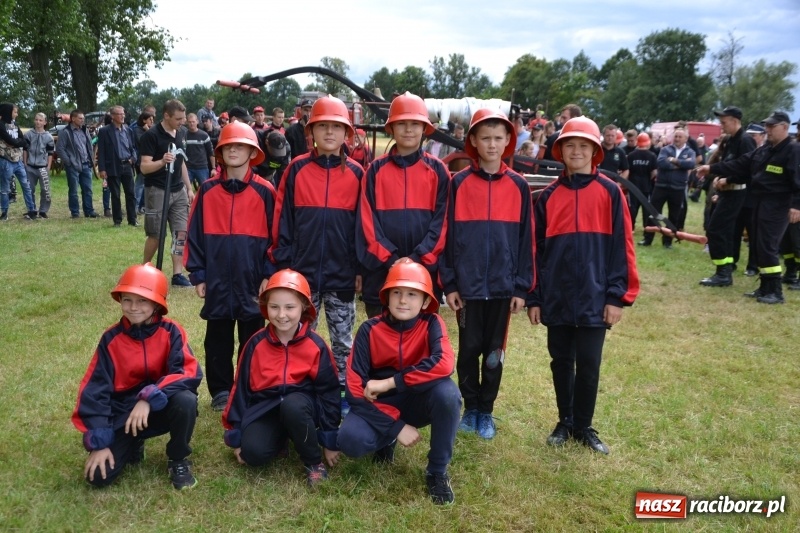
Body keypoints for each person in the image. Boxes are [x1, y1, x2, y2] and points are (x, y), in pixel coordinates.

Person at [527, 117, 639, 455]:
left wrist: (617, 296)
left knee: (589, 363)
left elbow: (623, 247)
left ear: (595, 151)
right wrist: (535, 296)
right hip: (557, 297)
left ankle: (584, 425)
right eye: (570, 145)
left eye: (583, 145)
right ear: (560, 151)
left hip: (595, 296)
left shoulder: (611, 193)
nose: (576, 151)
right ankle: (565, 420)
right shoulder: (547, 197)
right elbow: (536, 251)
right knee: (561, 361)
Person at [440, 109, 534, 440]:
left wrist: (522, 287)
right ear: (474, 143)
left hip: (503, 287)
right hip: (467, 288)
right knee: (468, 350)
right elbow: (448, 236)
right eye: (485, 138)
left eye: (498, 138)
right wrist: (449, 283)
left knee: (495, 352)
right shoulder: (459, 183)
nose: (492, 144)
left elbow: (526, 241)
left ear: (509, 141)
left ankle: (487, 411)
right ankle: (470, 408)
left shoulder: (519, 186)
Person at [337, 260, 461, 505]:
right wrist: (395, 428)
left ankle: (437, 471)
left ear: (426, 301)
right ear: (386, 296)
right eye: (397, 292)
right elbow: (353, 389)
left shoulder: (432, 323)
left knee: (448, 395)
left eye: (412, 294)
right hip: (382, 406)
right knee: (350, 440)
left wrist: (389, 383)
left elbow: (444, 364)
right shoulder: (369, 330)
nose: (403, 300)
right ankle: (387, 438)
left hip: (418, 398)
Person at [269, 95, 363, 412]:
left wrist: (358, 268)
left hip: (341, 274)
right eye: (322, 126)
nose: (329, 133)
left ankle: (340, 392)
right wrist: (284, 265)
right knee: (296, 334)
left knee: (342, 341)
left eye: (336, 127)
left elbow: (362, 227)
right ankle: (296, 387)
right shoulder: (296, 170)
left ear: (346, 133)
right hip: (302, 275)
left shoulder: (357, 174)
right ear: (311, 131)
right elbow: (283, 219)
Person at [71, 263, 203, 489]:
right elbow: (95, 390)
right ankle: (133, 441)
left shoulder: (172, 332)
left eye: (142, 300)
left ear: (157, 304)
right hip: (123, 413)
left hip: (159, 407)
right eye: (127, 300)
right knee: (98, 478)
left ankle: (178, 458)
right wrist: (99, 442)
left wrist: (149, 397)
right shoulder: (110, 339)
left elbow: (187, 372)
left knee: (185, 401)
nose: (133, 307)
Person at [184, 121, 276, 410]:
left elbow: (277, 236)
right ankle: (221, 389)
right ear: (220, 153)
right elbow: (194, 234)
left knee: (253, 335)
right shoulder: (208, 191)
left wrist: (268, 273)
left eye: (240, 145)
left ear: (253, 152)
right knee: (218, 338)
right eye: (228, 146)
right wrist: (198, 273)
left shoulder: (265, 192)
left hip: (252, 280)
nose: (234, 150)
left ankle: (249, 384)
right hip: (219, 280)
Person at [222, 270, 341, 487]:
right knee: (254, 455)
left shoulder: (316, 345)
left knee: (293, 406)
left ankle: (313, 463)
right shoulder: (255, 344)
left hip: (302, 407)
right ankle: (281, 439)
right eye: (274, 307)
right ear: (265, 307)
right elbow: (240, 389)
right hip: (266, 407)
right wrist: (237, 436)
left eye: (290, 307)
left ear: (304, 307)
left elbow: (329, 391)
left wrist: (329, 437)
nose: (281, 314)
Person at [356, 91, 450, 318]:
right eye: (402, 124)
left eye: (415, 124)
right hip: (381, 272)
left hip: (424, 271)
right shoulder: (375, 171)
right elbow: (367, 223)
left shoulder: (438, 171)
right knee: (380, 340)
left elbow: (443, 222)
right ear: (391, 128)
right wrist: (391, 259)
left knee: (421, 343)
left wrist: (417, 259)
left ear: (425, 129)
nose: (408, 129)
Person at [696, 111, 800, 304]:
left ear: (785, 127)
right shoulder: (766, 149)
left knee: (768, 245)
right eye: (766, 126)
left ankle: (775, 292)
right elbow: (741, 164)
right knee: (759, 245)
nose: (767, 130)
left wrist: (796, 206)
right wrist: (712, 169)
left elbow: (798, 181)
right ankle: (765, 287)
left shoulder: (793, 150)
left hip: (778, 204)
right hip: (759, 201)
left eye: (772, 126)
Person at [138, 99, 195, 287]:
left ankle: (177, 274)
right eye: (178, 118)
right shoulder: (151, 136)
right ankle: (145, 269)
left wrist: (188, 187)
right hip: (157, 190)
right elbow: (144, 167)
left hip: (178, 190)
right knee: (156, 233)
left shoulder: (181, 133)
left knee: (180, 233)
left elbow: (181, 162)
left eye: (184, 117)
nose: (183, 121)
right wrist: (162, 162)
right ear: (166, 116)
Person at [699, 106, 756, 287]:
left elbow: (743, 167)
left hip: (738, 192)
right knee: (726, 231)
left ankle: (723, 273)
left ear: (735, 121)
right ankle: (726, 269)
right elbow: (729, 164)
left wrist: (715, 171)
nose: (721, 126)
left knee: (716, 229)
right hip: (728, 191)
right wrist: (720, 179)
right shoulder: (731, 140)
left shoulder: (745, 141)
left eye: (724, 122)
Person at [640, 127, 695, 248]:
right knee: (653, 213)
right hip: (661, 186)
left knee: (673, 215)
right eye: (676, 136)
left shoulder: (690, 152)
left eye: (680, 137)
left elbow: (691, 164)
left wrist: (674, 160)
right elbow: (661, 163)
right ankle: (647, 239)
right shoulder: (665, 149)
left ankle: (667, 241)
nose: (677, 139)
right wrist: (681, 164)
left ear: (685, 138)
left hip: (678, 188)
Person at [97, 106, 138, 227]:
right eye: (119, 114)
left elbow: (133, 147)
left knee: (131, 193)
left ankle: (132, 219)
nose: (122, 116)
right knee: (115, 194)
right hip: (113, 166)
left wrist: (133, 158)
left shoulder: (128, 130)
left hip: (127, 165)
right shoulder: (105, 131)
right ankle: (117, 220)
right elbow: (102, 151)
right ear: (113, 116)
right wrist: (102, 169)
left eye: (123, 114)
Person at [55, 110, 99, 219]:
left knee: (88, 189)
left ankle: (89, 211)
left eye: (83, 118)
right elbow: (60, 149)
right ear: (73, 119)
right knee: (73, 190)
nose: (82, 120)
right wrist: (69, 162)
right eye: (80, 118)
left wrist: (91, 158)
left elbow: (89, 145)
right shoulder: (65, 132)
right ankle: (75, 213)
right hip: (73, 165)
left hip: (86, 164)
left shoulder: (85, 130)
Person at [0, 102, 36, 221]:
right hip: (6, 160)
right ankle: (4, 213)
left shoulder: (15, 125)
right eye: (15, 112)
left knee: (26, 186)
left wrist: (18, 143)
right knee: (5, 188)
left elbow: (24, 140)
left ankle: (31, 211)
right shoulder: (1, 125)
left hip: (18, 160)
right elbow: (9, 140)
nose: (16, 114)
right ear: (8, 112)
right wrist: (18, 142)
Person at [23, 112, 55, 219]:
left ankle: (43, 210)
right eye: (36, 120)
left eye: (40, 120)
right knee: (29, 189)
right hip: (30, 166)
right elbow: (25, 150)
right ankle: (31, 209)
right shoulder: (28, 134)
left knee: (45, 190)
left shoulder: (49, 137)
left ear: (45, 122)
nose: (38, 122)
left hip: (43, 166)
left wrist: (48, 166)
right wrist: (25, 163)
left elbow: (50, 153)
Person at [626, 132, 657, 234]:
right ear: (648, 143)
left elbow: (627, 170)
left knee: (632, 207)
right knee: (646, 208)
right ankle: (646, 227)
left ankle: (631, 228)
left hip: (633, 185)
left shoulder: (631, 155)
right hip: (646, 185)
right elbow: (654, 173)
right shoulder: (652, 156)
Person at [184, 113, 215, 190]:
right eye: (190, 122)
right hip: (188, 167)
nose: (191, 124)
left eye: (193, 122)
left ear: (197, 121)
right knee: (184, 190)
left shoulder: (204, 135)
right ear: (187, 122)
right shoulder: (184, 135)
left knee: (206, 190)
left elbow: (211, 152)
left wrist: (214, 168)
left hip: (202, 167)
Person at [133, 111, 155, 214]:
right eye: (150, 119)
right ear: (144, 120)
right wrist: (147, 131)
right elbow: (141, 142)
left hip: (151, 161)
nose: (152, 121)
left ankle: (142, 205)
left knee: (147, 184)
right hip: (141, 161)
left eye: (152, 119)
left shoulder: (151, 130)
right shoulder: (137, 130)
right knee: (140, 184)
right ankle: (135, 206)